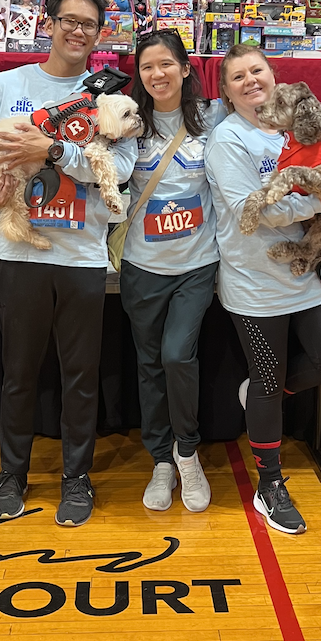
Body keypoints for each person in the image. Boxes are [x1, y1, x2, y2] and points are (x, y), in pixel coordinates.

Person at [0, 0, 138, 527]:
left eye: (89, 24)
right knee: (19, 371)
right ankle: (12, 472)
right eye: (69, 21)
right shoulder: (6, 86)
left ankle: (76, 477)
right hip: (16, 252)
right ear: (48, 22)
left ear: (99, 34)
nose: (78, 31)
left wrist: (53, 149)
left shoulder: (110, 98)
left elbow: (122, 171)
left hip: (81, 253)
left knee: (80, 375)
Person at [205, 45, 321, 534]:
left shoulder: (300, 127)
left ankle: (262, 395)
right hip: (255, 280)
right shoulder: (227, 140)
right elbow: (259, 212)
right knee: (267, 383)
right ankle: (269, 485)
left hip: (307, 271)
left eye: (257, 71)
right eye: (237, 77)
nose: (250, 80)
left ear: (273, 77)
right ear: (225, 92)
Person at [119, 30, 225, 513]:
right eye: (146, 67)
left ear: (186, 68)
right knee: (148, 364)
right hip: (142, 266)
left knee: (178, 356)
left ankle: (187, 452)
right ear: (138, 75)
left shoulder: (215, 118)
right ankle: (160, 458)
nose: (157, 74)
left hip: (196, 265)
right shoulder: (125, 122)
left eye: (166, 64)